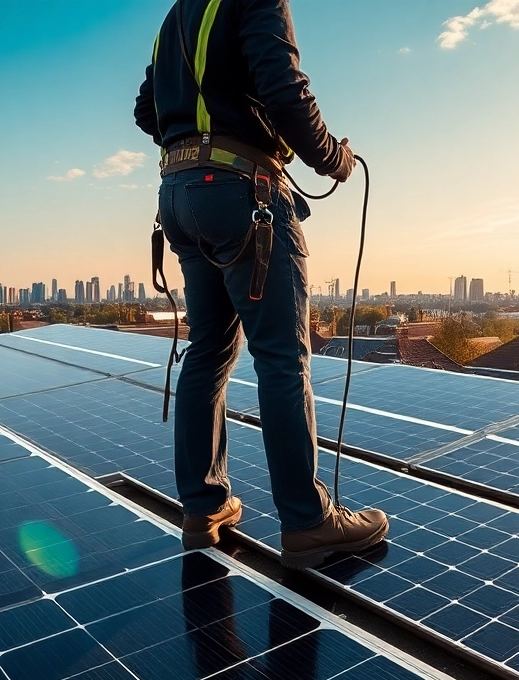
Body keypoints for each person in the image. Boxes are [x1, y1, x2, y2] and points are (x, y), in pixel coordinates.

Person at [134, 0, 387, 569]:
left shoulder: (176, 15)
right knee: (281, 358)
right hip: (244, 192)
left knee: (208, 349)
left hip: (178, 195)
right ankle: (308, 521)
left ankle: (203, 507)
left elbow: (147, 110)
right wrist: (334, 158)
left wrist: (193, 136)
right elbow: (284, 89)